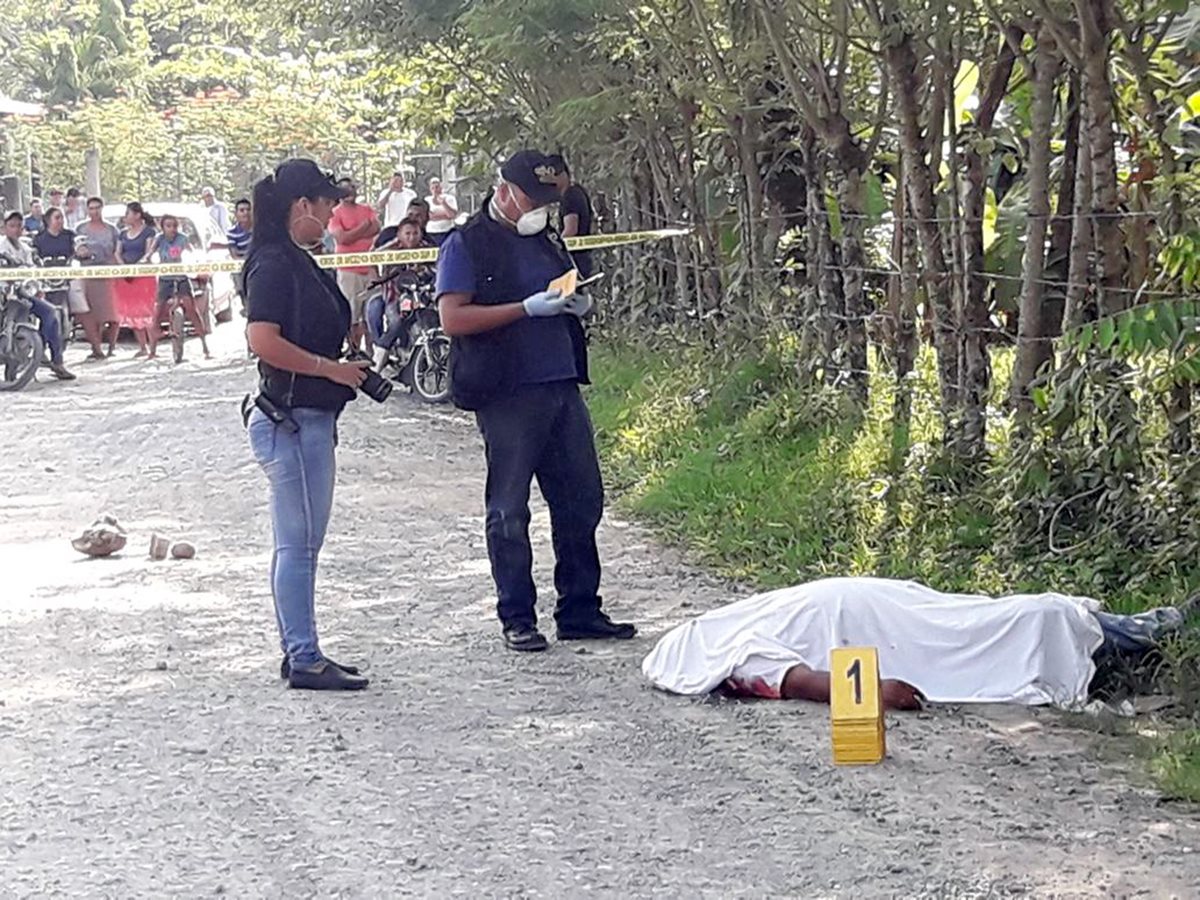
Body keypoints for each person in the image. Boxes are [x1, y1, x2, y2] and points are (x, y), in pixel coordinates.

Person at [435, 149, 635, 652]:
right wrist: (524, 309)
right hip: (506, 391)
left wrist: (575, 302)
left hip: (560, 381)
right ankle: (517, 617)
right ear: (502, 190)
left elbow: (566, 282)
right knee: (509, 509)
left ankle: (581, 609)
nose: (541, 209)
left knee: (581, 500)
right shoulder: (468, 244)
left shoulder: (546, 238)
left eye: (549, 201)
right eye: (532, 198)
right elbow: (453, 319)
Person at [642, 577, 1196, 709]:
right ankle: (1161, 630)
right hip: (884, 625)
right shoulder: (736, 654)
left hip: (880, 606)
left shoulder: (729, 637)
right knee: (1023, 620)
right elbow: (811, 683)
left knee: (997, 618)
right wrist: (879, 691)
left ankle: (1156, 630)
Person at [243, 158, 372, 691]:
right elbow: (262, 339)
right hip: (292, 420)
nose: (331, 212)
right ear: (303, 206)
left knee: (302, 544)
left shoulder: (293, 258)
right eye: (325, 204)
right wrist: (331, 369)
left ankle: (302, 649)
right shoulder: (275, 263)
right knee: (297, 546)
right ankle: (303, 656)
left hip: (308, 417)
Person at [0, 211, 75, 380]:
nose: (16, 229)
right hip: (3, 294)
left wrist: (38, 286)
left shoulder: (26, 249)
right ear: (4, 228)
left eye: (19, 226)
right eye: (11, 226)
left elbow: (35, 270)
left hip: (21, 293)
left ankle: (56, 359)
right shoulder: (1, 247)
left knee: (50, 312)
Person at [368, 216, 434, 366]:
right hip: (394, 296)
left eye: (415, 233)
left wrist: (422, 270)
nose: (411, 237)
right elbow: (371, 257)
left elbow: (436, 269)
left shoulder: (427, 249)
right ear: (399, 234)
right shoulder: (391, 248)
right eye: (407, 233)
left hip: (420, 295)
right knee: (396, 320)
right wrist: (377, 278)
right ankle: (379, 361)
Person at [327, 176, 380, 353]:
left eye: (351, 188)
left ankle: (372, 351)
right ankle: (354, 350)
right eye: (344, 189)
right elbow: (342, 238)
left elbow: (376, 228)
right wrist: (363, 227)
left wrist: (354, 233)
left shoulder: (366, 209)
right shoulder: (334, 213)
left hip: (371, 267)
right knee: (352, 314)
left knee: (371, 313)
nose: (349, 191)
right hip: (348, 269)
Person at [151, 214, 210, 361]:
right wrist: (146, 261)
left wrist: (195, 262)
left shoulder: (182, 238)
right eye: (168, 226)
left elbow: (191, 252)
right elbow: (150, 253)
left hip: (182, 277)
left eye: (174, 226)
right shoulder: (159, 239)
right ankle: (152, 350)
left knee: (192, 310)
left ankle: (205, 347)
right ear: (162, 227)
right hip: (165, 279)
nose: (172, 229)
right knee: (157, 312)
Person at [73, 196, 121, 359]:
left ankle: (112, 347)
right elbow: (74, 250)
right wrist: (80, 253)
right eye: (91, 208)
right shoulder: (80, 229)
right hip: (88, 274)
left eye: (97, 208)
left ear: (102, 208)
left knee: (113, 313)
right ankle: (96, 348)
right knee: (92, 314)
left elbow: (116, 252)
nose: (94, 211)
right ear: (87, 210)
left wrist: (119, 271)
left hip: (108, 274)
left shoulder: (112, 230)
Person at [114, 202, 158, 358]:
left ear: (137, 215)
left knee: (148, 310)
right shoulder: (122, 234)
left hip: (143, 277)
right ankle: (142, 346)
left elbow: (148, 252)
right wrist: (124, 268)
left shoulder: (149, 232)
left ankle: (153, 348)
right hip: (126, 277)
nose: (126, 217)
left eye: (128, 213)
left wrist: (137, 268)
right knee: (133, 311)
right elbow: (117, 253)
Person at [547, 155, 594, 278]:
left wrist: (554, 249)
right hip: (583, 258)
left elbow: (570, 230)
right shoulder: (577, 191)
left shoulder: (570, 197)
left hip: (575, 261)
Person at [424, 177, 458, 245]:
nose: (435, 190)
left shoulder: (450, 199)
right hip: (431, 232)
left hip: (447, 231)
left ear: (441, 187)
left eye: (437, 187)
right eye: (433, 188)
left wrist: (444, 204)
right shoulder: (427, 200)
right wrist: (444, 215)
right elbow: (429, 216)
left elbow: (452, 215)